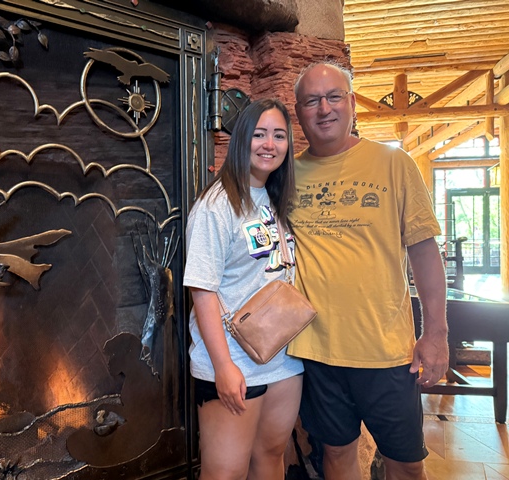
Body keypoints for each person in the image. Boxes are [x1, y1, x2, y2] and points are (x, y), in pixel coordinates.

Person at [288, 61, 449, 480]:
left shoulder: (394, 163)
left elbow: (425, 253)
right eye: (311, 101)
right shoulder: (286, 175)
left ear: (353, 103)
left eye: (334, 97)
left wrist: (436, 334)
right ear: (298, 111)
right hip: (315, 350)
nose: (324, 108)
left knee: (407, 464)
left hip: (387, 351)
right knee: (336, 455)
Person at [183, 98, 304, 480]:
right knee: (225, 473)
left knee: (270, 457)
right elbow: (201, 290)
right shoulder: (216, 205)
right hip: (233, 358)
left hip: (283, 357)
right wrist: (223, 366)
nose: (269, 144)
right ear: (241, 140)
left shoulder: (277, 197)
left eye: (279, 136)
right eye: (259, 134)